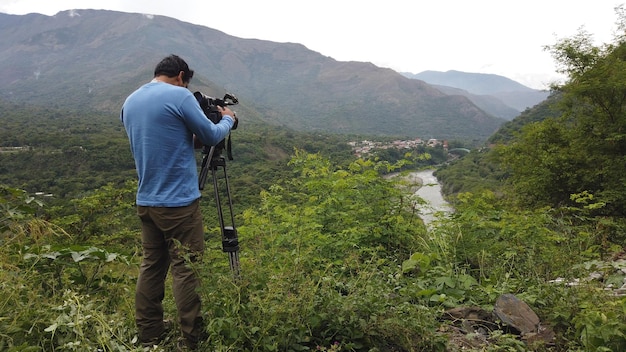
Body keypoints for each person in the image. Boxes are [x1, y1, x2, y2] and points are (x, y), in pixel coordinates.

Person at [120, 54, 237, 350]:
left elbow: (165, 139)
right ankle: (193, 338)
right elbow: (210, 136)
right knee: (187, 269)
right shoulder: (180, 96)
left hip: (147, 200)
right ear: (181, 75)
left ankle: (149, 334)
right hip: (179, 204)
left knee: (152, 267)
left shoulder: (130, 101)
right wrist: (227, 120)